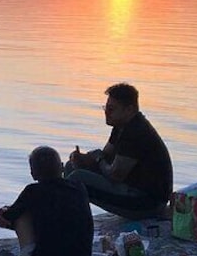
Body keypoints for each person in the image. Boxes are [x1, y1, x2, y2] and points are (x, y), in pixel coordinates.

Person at [66, 83, 173, 219]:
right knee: (71, 167)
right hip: (131, 190)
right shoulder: (121, 126)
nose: (106, 112)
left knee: (77, 178)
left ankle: (68, 223)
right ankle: (71, 218)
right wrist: (84, 159)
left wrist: (97, 159)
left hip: (147, 203)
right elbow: (106, 154)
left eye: (111, 109)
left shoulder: (136, 132)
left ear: (129, 110)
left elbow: (115, 174)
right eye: (106, 107)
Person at [0, 146, 93, 256]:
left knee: (21, 215)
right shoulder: (79, 187)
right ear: (62, 167)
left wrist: (4, 211)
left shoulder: (32, 192)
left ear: (33, 174)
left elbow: (5, 220)